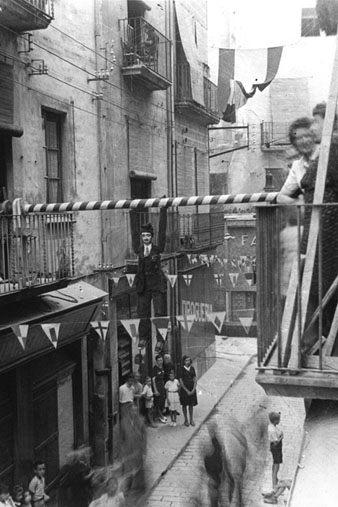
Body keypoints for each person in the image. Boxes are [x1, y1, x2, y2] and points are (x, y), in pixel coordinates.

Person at [278, 114, 338, 351]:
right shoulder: (298, 165)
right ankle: (312, 340)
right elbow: (285, 194)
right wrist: (300, 203)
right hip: (313, 229)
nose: (302, 140)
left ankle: (318, 340)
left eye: (306, 134)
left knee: (320, 282)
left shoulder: (327, 153)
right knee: (310, 283)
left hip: (327, 229)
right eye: (297, 137)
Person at [130, 207, 167, 349]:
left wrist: (163, 209)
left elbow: (163, 231)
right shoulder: (138, 249)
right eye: (143, 236)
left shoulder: (158, 249)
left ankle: (160, 340)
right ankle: (144, 338)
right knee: (143, 314)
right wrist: (132, 210)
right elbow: (133, 232)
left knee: (159, 313)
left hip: (157, 286)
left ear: (152, 237)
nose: (145, 238)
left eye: (148, 236)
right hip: (143, 286)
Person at [179, 355, 198, 427]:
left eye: (189, 360)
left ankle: (191, 419)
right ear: (184, 361)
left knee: (191, 404)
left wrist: (193, 389)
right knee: (184, 405)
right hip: (184, 390)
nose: (188, 362)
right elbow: (181, 381)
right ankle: (186, 420)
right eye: (186, 360)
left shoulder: (192, 368)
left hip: (191, 388)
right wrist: (186, 390)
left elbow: (195, 378)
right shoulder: (181, 369)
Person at [268, 411, 283, 491]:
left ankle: (275, 479)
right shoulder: (273, 430)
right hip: (276, 447)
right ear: (275, 421)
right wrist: (282, 436)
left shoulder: (271, 426)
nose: (279, 421)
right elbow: (276, 442)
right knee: (276, 464)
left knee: (275, 463)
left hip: (274, 447)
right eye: (279, 419)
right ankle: (274, 484)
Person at [152, 355, 167, 423]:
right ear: (156, 361)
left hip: (162, 385)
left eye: (161, 360)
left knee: (162, 401)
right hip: (157, 385)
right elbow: (153, 380)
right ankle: (159, 416)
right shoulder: (155, 369)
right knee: (157, 402)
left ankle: (161, 414)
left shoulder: (162, 368)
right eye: (159, 360)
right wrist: (155, 390)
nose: (160, 362)